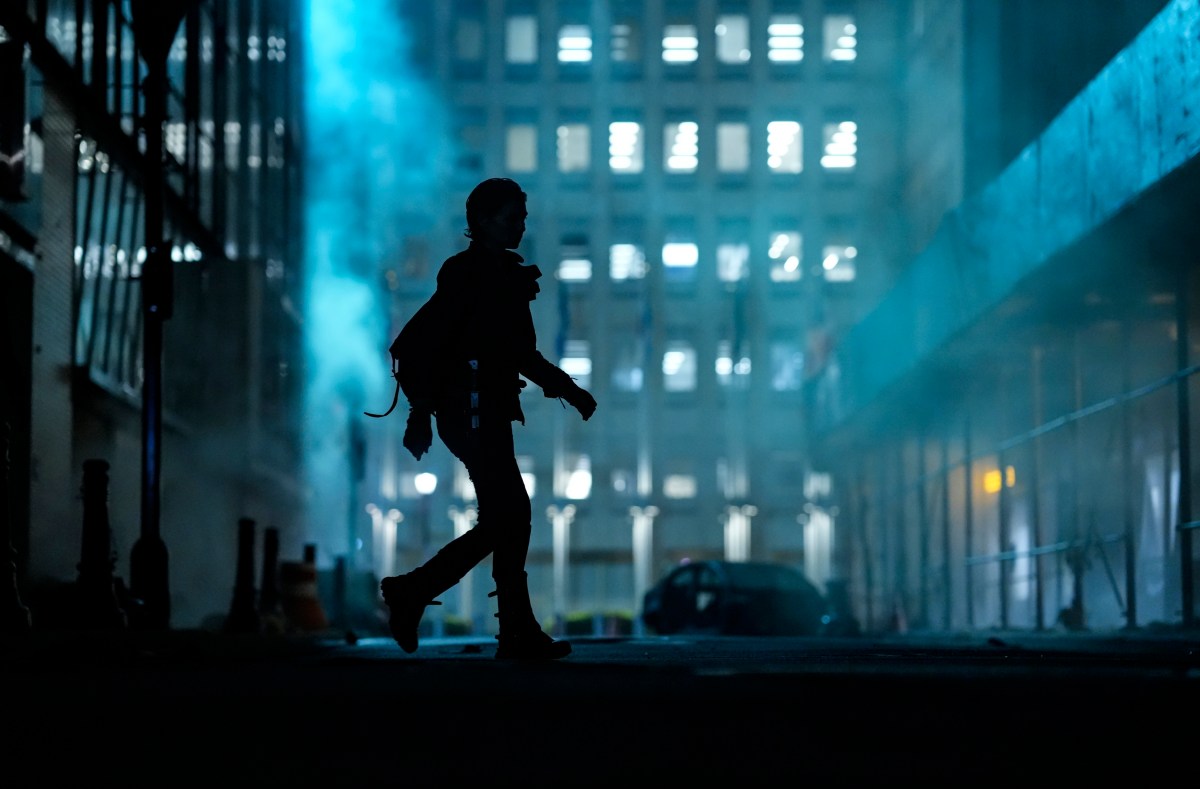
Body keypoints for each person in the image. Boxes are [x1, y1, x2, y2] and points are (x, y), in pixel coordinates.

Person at [380, 178, 596, 660]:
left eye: (521, 216)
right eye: (510, 217)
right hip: (470, 408)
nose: (520, 225)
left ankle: (511, 629)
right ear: (480, 221)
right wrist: (569, 389)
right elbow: (460, 344)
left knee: (510, 518)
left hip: (484, 408)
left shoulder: (499, 272)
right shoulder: (470, 273)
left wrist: (567, 388)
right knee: (510, 515)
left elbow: (516, 350)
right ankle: (417, 591)